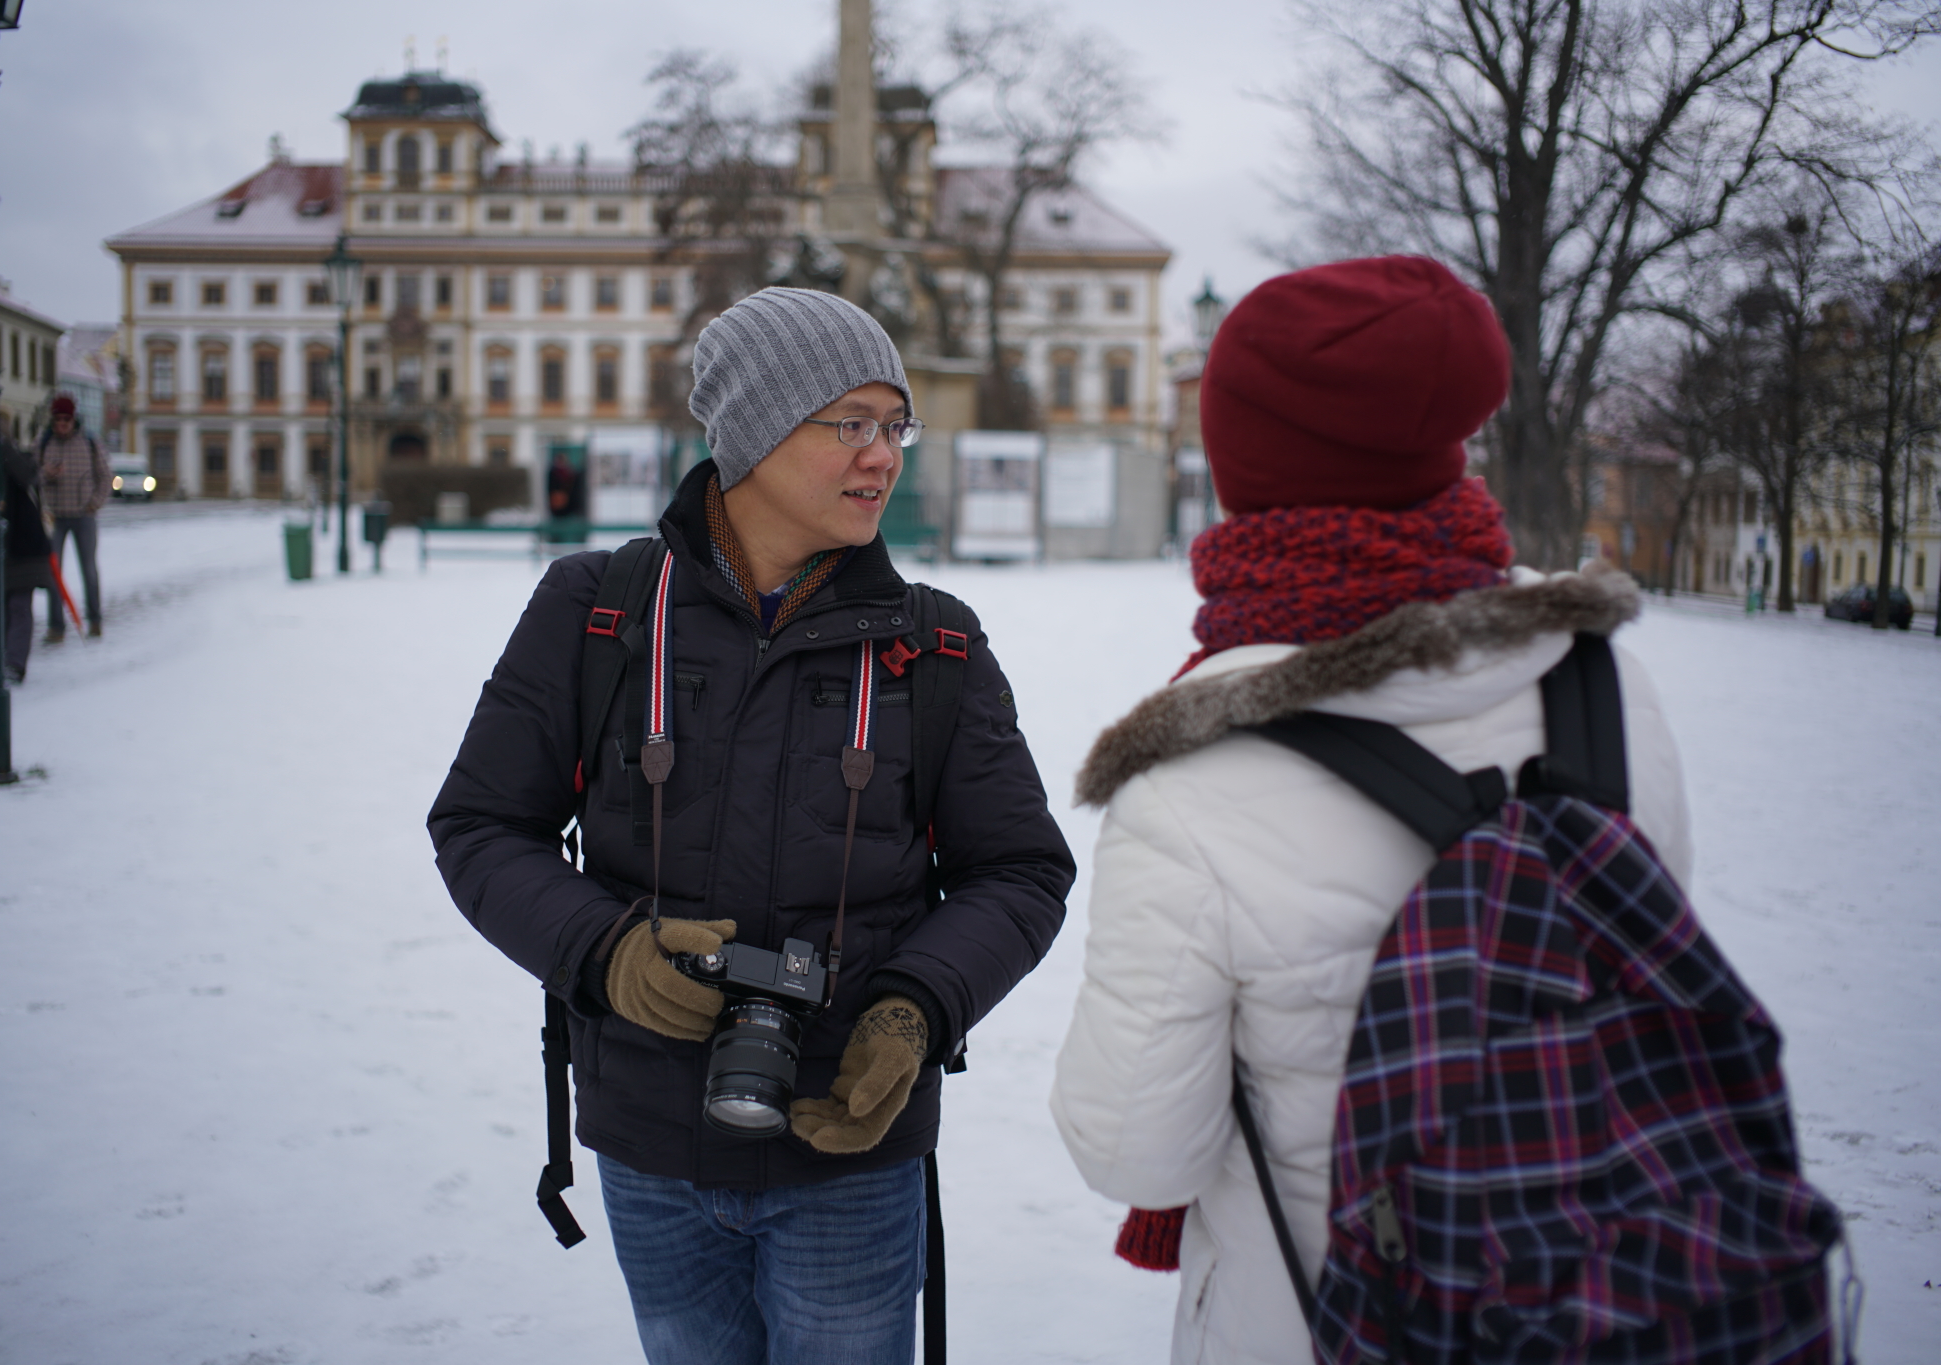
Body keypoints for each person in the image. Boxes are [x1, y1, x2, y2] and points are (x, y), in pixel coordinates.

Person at [1049, 257, 1692, 1365]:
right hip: (1600, 1297)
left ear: (1240, 465)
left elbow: (1136, 1150)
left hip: (1324, 1318)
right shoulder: (1601, 686)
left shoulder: (1193, 777)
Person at [428, 286, 1074, 1365]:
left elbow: (1019, 871)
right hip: (644, 1142)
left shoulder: (935, 649)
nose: (884, 457)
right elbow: (482, 827)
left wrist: (916, 1009)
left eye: (894, 425)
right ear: (756, 431)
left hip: (851, 1156)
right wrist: (606, 954)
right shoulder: (596, 612)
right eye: (851, 424)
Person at [37, 394, 109, 642]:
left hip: (84, 515)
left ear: (74, 419)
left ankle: (95, 620)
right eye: (58, 419)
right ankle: (56, 627)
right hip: (54, 517)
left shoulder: (89, 441)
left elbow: (105, 476)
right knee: (53, 572)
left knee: (89, 570)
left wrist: (94, 503)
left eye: (67, 419)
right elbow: (31, 476)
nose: (62, 424)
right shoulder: (44, 442)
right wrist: (46, 474)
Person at [0, 438, 52, 683]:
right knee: (3, 609)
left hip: (24, 549)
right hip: (3, 549)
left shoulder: (24, 467)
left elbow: (32, 482)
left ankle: (14, 662)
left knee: (18, 607)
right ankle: (4, 657)